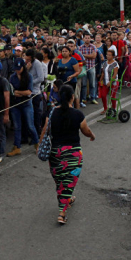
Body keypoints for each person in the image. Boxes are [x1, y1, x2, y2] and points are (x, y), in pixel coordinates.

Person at [39, 85, 95, 224]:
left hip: (55, 153)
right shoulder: (77, 114)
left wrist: (40, 145)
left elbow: (45, 130)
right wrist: (92, 135)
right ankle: (62, 213)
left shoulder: (52, 113)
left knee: (60, 181)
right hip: (73, 154)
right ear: (72, 97)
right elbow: (85, 130)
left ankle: (67, 199)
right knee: (69, 181)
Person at [7, 58, 39, 157]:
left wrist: (18, 92)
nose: (17, 70)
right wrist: (18, 93)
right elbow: (11, 91)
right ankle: (17, 147)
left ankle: (37, 143)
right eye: (16, 68)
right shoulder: (12, 77)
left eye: (19, 68)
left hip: (26, 104)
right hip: (16, 104)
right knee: (17, 126)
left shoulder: (28, 76)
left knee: (30, 125)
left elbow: (29, 92)